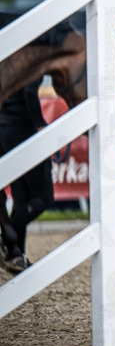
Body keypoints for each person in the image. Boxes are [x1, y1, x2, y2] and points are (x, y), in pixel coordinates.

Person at [0, 78, 54, 273]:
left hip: (4, 130)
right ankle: (6, 237)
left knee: (21, 200)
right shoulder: (31, 54)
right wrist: (40, 125)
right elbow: (30, 91)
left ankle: (17, 256)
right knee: (44, 196)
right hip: (23, 130)